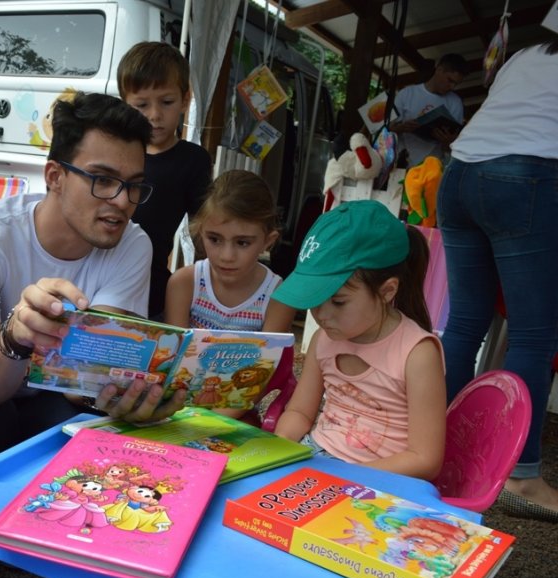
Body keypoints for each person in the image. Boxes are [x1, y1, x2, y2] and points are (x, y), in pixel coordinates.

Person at [0, 92, 188, 578]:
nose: (121, 203)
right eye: (103, 181)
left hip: (48, 392)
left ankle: (37, 526)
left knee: (92, 439)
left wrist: (129, 398)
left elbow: (91, 380)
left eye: (134, 186)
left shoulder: (133, 244)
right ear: (55, 176)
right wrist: (17, 334)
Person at [437, 39, 558, 522]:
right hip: (524, 176)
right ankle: (522, 475)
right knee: (533, 333)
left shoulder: (528, 55)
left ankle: (434, 449)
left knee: (465, 323)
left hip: (459, 174)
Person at [272, 200, 446, 480]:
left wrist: (346, 478)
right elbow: (300, 413)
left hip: (381, 481)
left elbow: (425, 459)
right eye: (315, 300)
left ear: (387, 291)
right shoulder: (323, 340)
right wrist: (279, 445)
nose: (322, 315)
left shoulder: (416, 354)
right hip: (318, 460)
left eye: (338, 302)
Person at [164, 170, 296, 420]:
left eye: (242, 243)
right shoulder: (184, 283)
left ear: (268, 241)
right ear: (200, 231)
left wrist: (208, 422)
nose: (226, 255)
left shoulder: (278, 295)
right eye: (214, 239)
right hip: (178, 409)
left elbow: (261, 377)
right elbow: (175, 363)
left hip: (238, 414)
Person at [117, 41, 212, 319]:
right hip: (93, 275)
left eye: (166, 102)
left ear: (185, 99)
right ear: (124, 103)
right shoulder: (112, 150)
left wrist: (212, 283)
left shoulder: (193, 160)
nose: (154, 115)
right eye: (142, 104)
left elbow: (203, 228)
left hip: (151, 284)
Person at [390, 53, 467, 167]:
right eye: (450, 80)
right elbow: (386, 131)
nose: (452, 87)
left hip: (432, 168)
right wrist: (401, 128)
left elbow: (454, 144)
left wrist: (447, 141)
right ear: (439, 70)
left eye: (456, 84)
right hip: (401, 164)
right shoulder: (406, 94)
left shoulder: (455, 102)